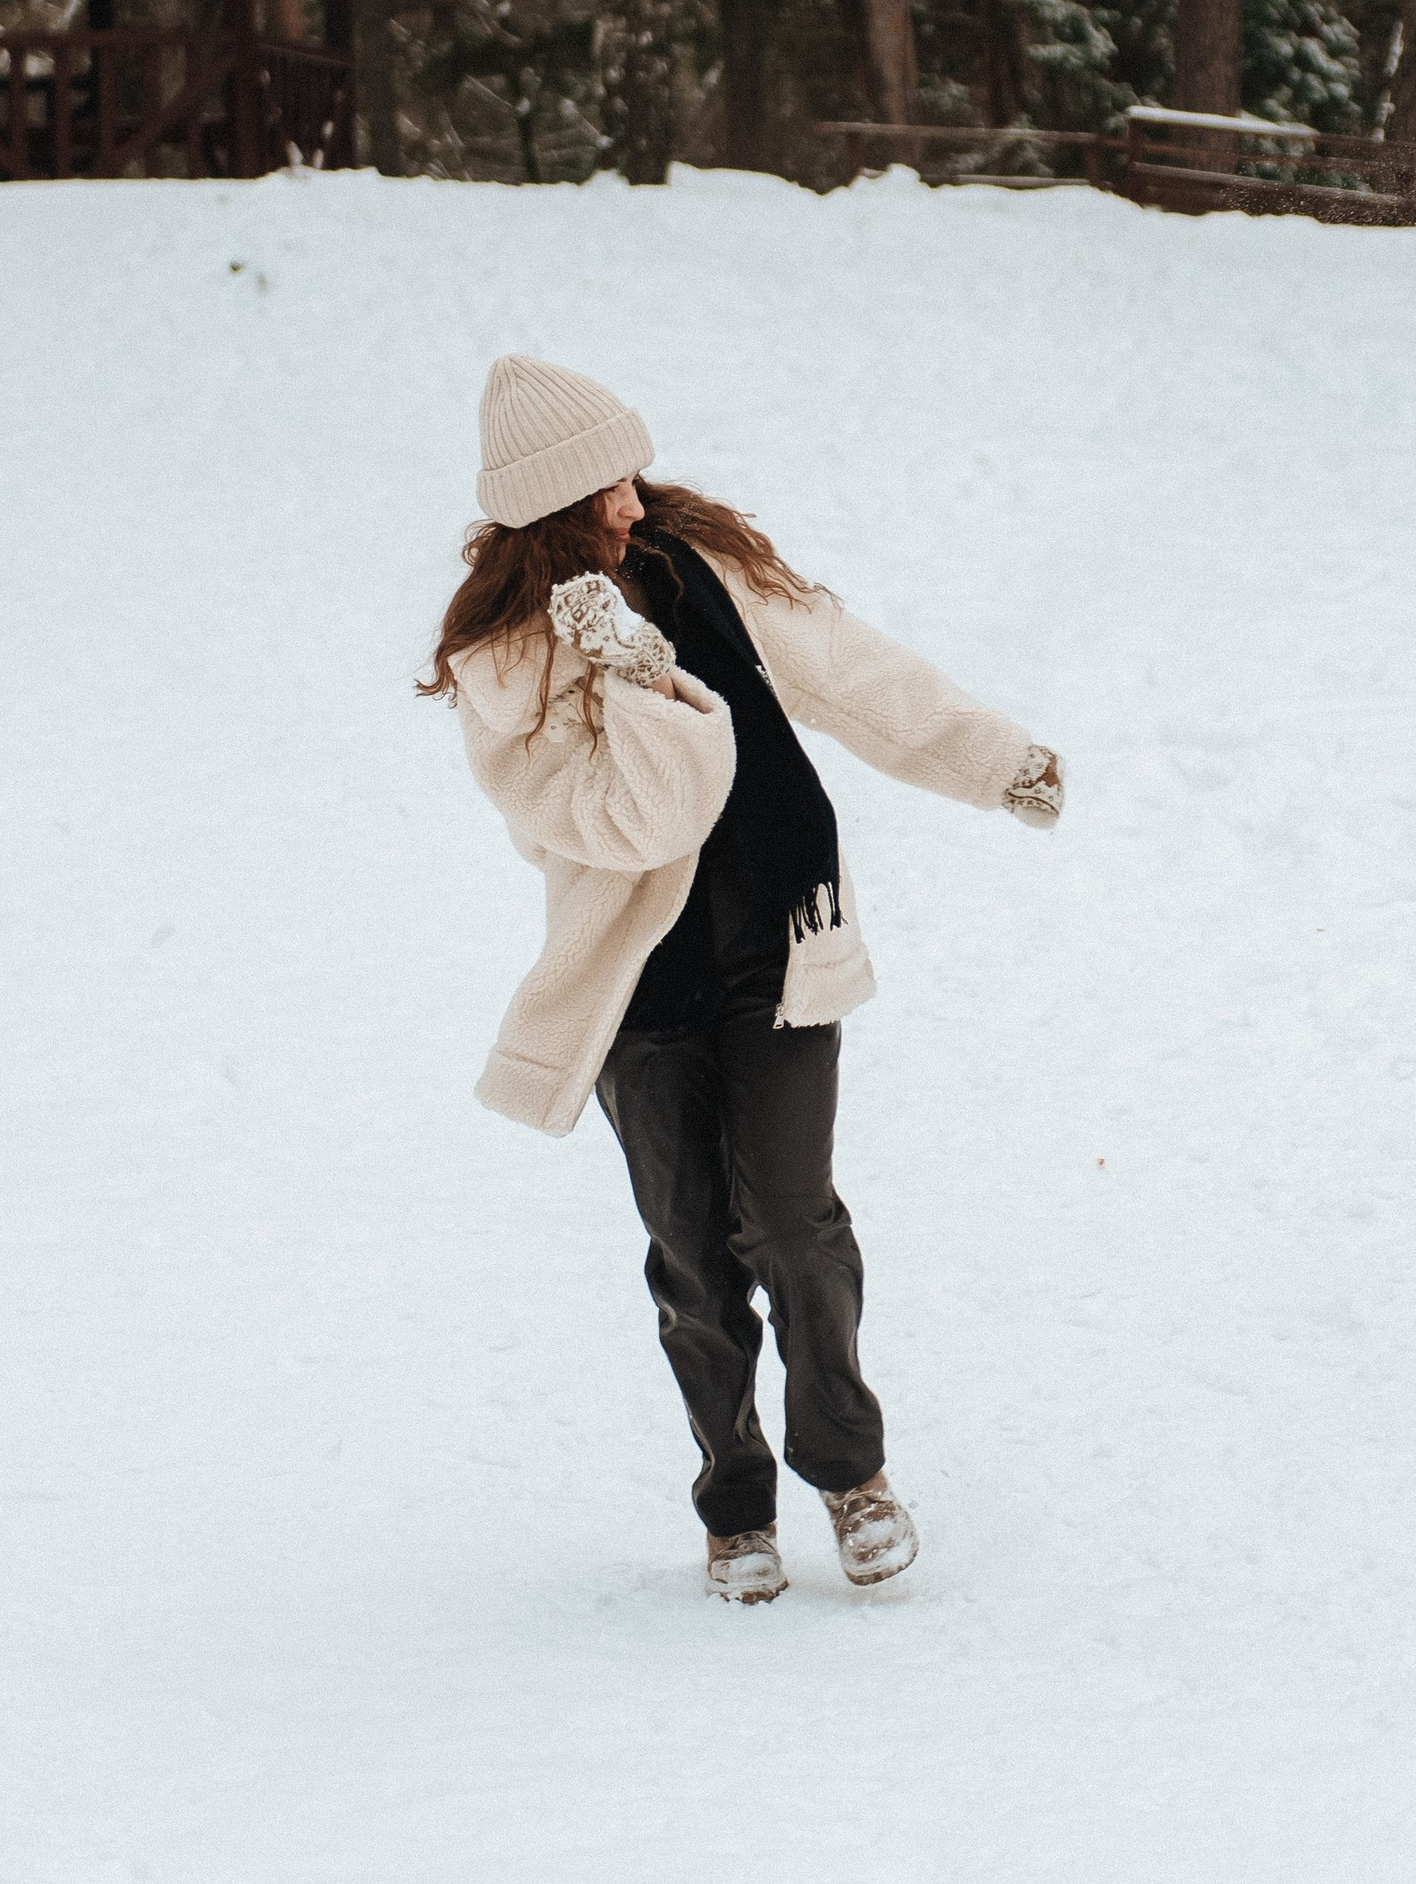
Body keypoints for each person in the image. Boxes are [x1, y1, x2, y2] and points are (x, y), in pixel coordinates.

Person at [425, 354, 1063, 1603]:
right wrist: (639, 680)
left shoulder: (701, 568)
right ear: (550, 509)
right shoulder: (509, 664)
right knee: (694, 1255)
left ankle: (851, 1471)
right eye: (603, 484)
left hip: (780, 937)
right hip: (640, 984)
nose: (631, 497)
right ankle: (734, 1502)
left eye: (629, 467)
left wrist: (996, 761)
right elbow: (633, 818)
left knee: (789, 1221)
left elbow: (854, 671)